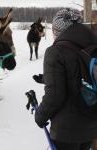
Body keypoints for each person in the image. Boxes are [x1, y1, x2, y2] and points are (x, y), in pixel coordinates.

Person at [34, 8, 97, 150]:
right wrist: (47, 78)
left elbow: (55, 96)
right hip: (91, 126)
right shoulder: (92, 45)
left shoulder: (55, 51)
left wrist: (40, 116)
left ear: (57, 31)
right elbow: (80, 74)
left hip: (67, 131)